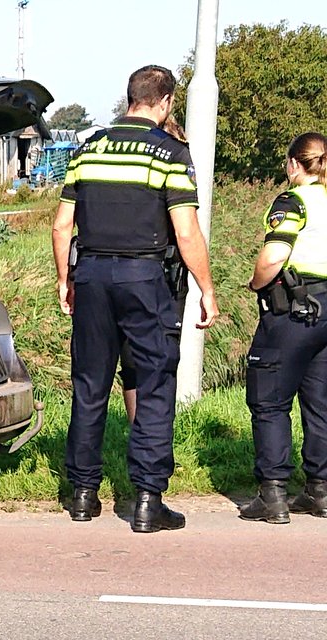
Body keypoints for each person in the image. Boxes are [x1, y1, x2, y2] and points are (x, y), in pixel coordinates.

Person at [52, 64, 219, 533]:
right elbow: (185, 231)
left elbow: (62, 225)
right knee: (153, 384)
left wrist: (66, 279)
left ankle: (83, 494)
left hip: (91, 277)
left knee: (89, 386)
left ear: (130, 98)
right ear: (165, 102)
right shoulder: (169, 152)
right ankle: (147, 500)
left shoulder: (89, 148)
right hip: (145, 279)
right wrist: (207, 289)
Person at [240, 132, 327, 524]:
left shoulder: (293, 201)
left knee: (269, 398)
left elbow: (275, 254)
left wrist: (256, 282)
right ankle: (320, 491)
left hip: (294, 309)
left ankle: (273, 494)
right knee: (320, 403)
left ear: (294, 163)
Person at [119, 115, 190, 424]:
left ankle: (141, 432)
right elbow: (185, 231)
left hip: (123, 276)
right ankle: (156, 436)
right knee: (160, 360)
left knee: (133, 363)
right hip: (164, 278)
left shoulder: (126, 171)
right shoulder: (172, 168)